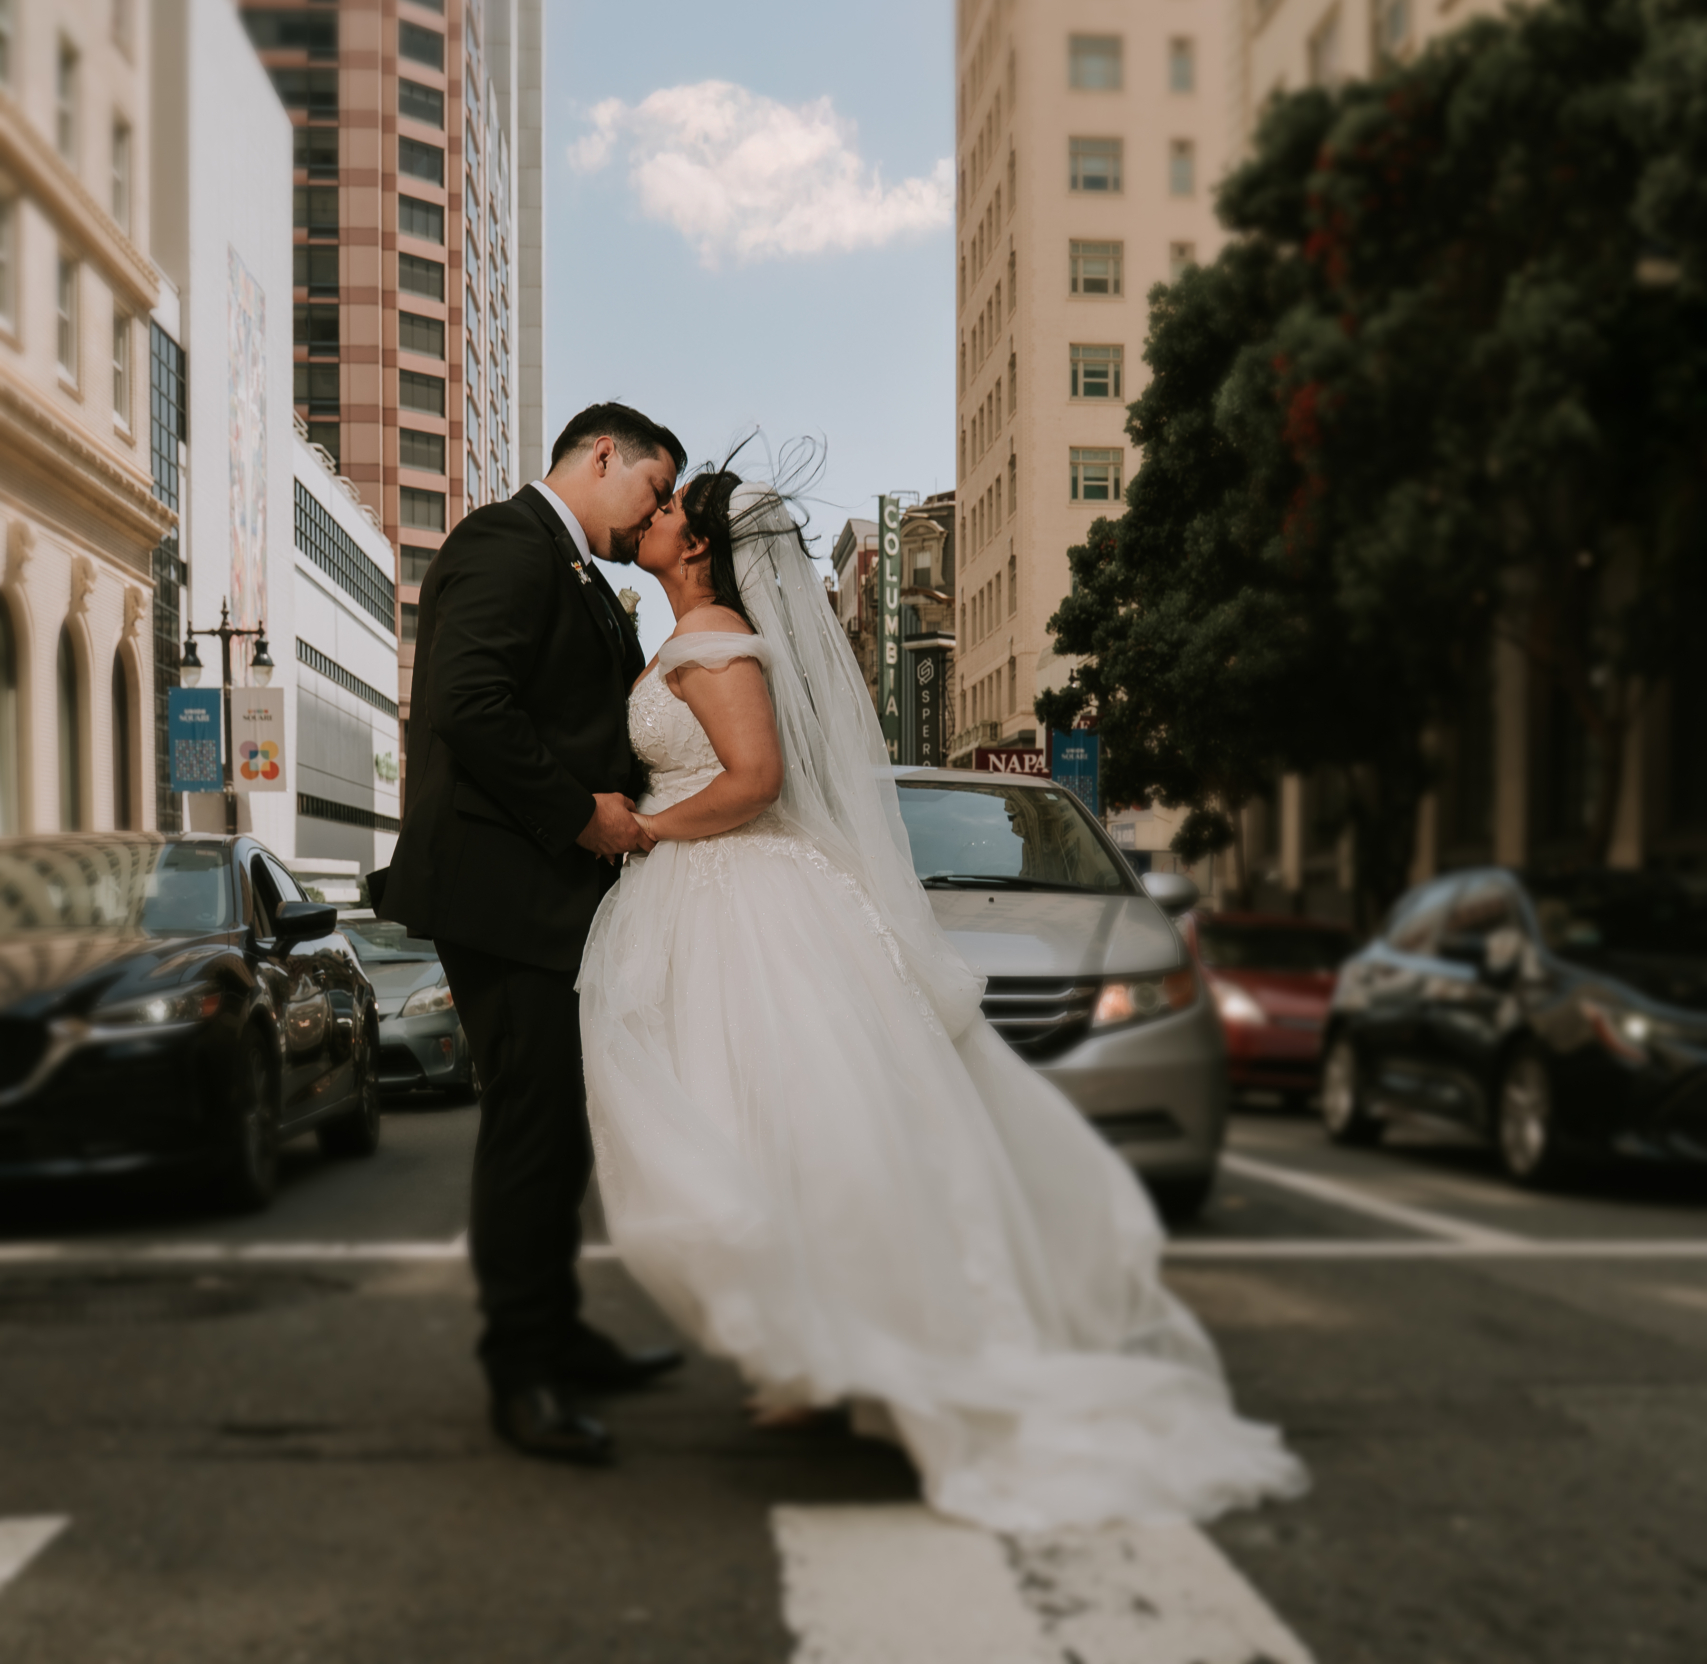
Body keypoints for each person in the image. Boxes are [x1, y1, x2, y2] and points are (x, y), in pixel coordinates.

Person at [578, 467, 1307, 1531]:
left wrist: (645, 828)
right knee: (762, 1125)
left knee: (785, 1124)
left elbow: (755, 779)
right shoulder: (692, 633)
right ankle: (808, 1351)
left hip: (743, 894)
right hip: (714, 896)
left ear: (699, 546)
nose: (655, 516)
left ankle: (845, 1345)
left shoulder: (720, 639)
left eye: (673, 507)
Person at [383, 402, 688, 1464]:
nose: (650, 516)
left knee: (559, 1131)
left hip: (547, 899)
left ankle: (558, 1334)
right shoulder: (505, 542)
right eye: (652, 490)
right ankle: (522, 1372)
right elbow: (470, 702)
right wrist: (582, 812)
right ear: (604, 454)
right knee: (530, 1127)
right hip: (504, 896)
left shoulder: (573, 571)